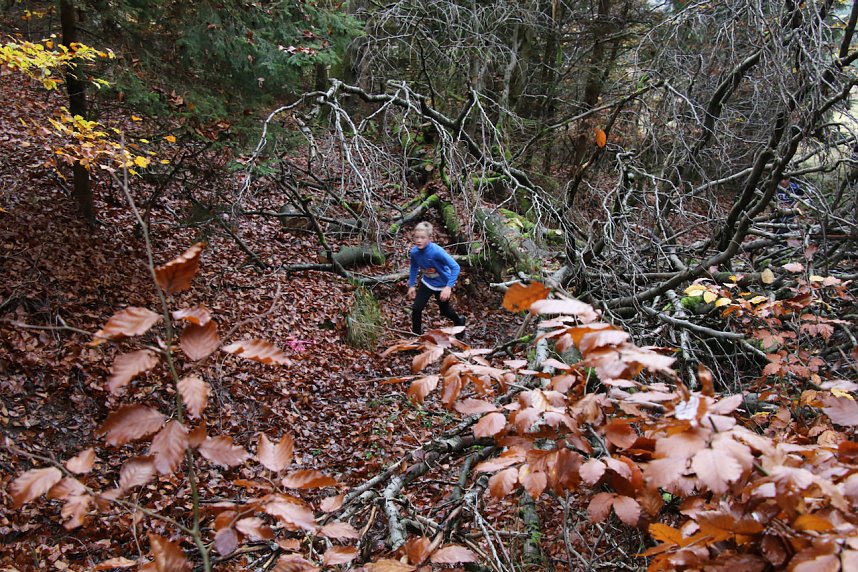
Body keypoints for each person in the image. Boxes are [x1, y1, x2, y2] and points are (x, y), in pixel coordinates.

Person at [407, 222, 466, 335]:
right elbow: (414, 267)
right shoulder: (414, 252)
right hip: (427, 283)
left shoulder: (436, 252)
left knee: (445, 311)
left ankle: (460, 321)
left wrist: (448, 287)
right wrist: (411, 285)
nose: (419, 240)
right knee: (416, 309)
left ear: (429, 238)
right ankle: (417, 335)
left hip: (442, 285)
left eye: (422, 238)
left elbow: (455, 267)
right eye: (416, 237)